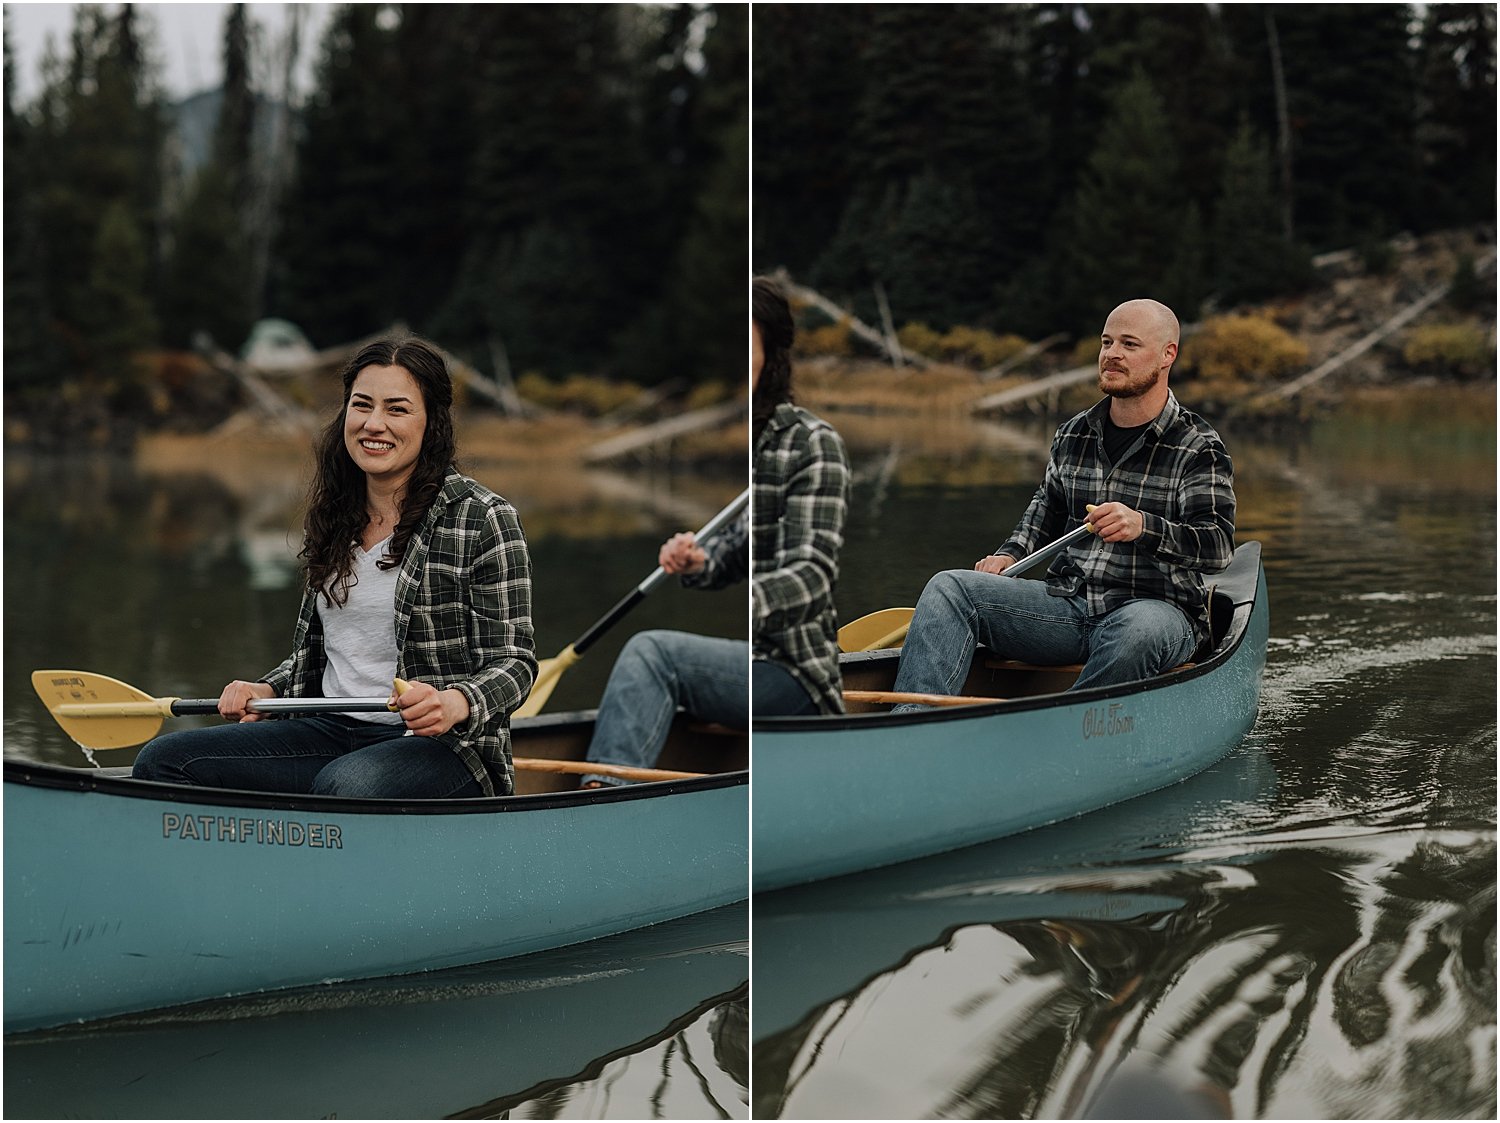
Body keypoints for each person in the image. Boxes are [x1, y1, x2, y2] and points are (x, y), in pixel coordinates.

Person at [133, 336, 537, 797]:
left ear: (432, 423)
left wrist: (457, 701)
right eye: (361, 405)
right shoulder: (335, 515)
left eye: (397, 409)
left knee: (345, 786)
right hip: (329, 731)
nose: (374, 424)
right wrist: (269, 690)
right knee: (165, 761)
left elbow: (515, 664)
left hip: (444, 748)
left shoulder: (484, 518)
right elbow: (325, 657)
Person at [890, 298, 1234, 707]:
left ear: (1167, 355)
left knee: (1138, 631)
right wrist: (1008, 554)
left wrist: (1143, 526)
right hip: (1068, 608)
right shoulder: (1073, 433)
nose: (1112, 355)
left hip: (1157, 612)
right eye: (1107, 343)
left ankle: (1066, 731)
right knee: (949, 588)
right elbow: (1046, 510)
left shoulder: (1199, 446)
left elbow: (1217, 547)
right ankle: (910, 722)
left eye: (1129, 344)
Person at [580, 276, 850, 786]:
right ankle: (607, 788)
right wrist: (699, 560)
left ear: (773, 352)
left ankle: (603, 798)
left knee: (653, 652)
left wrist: (753, 603)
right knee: (654, 654)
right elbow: (737, 552)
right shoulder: (758, 446)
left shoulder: (815, 443)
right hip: (751, 666)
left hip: (798, 675)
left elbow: (813, 575)